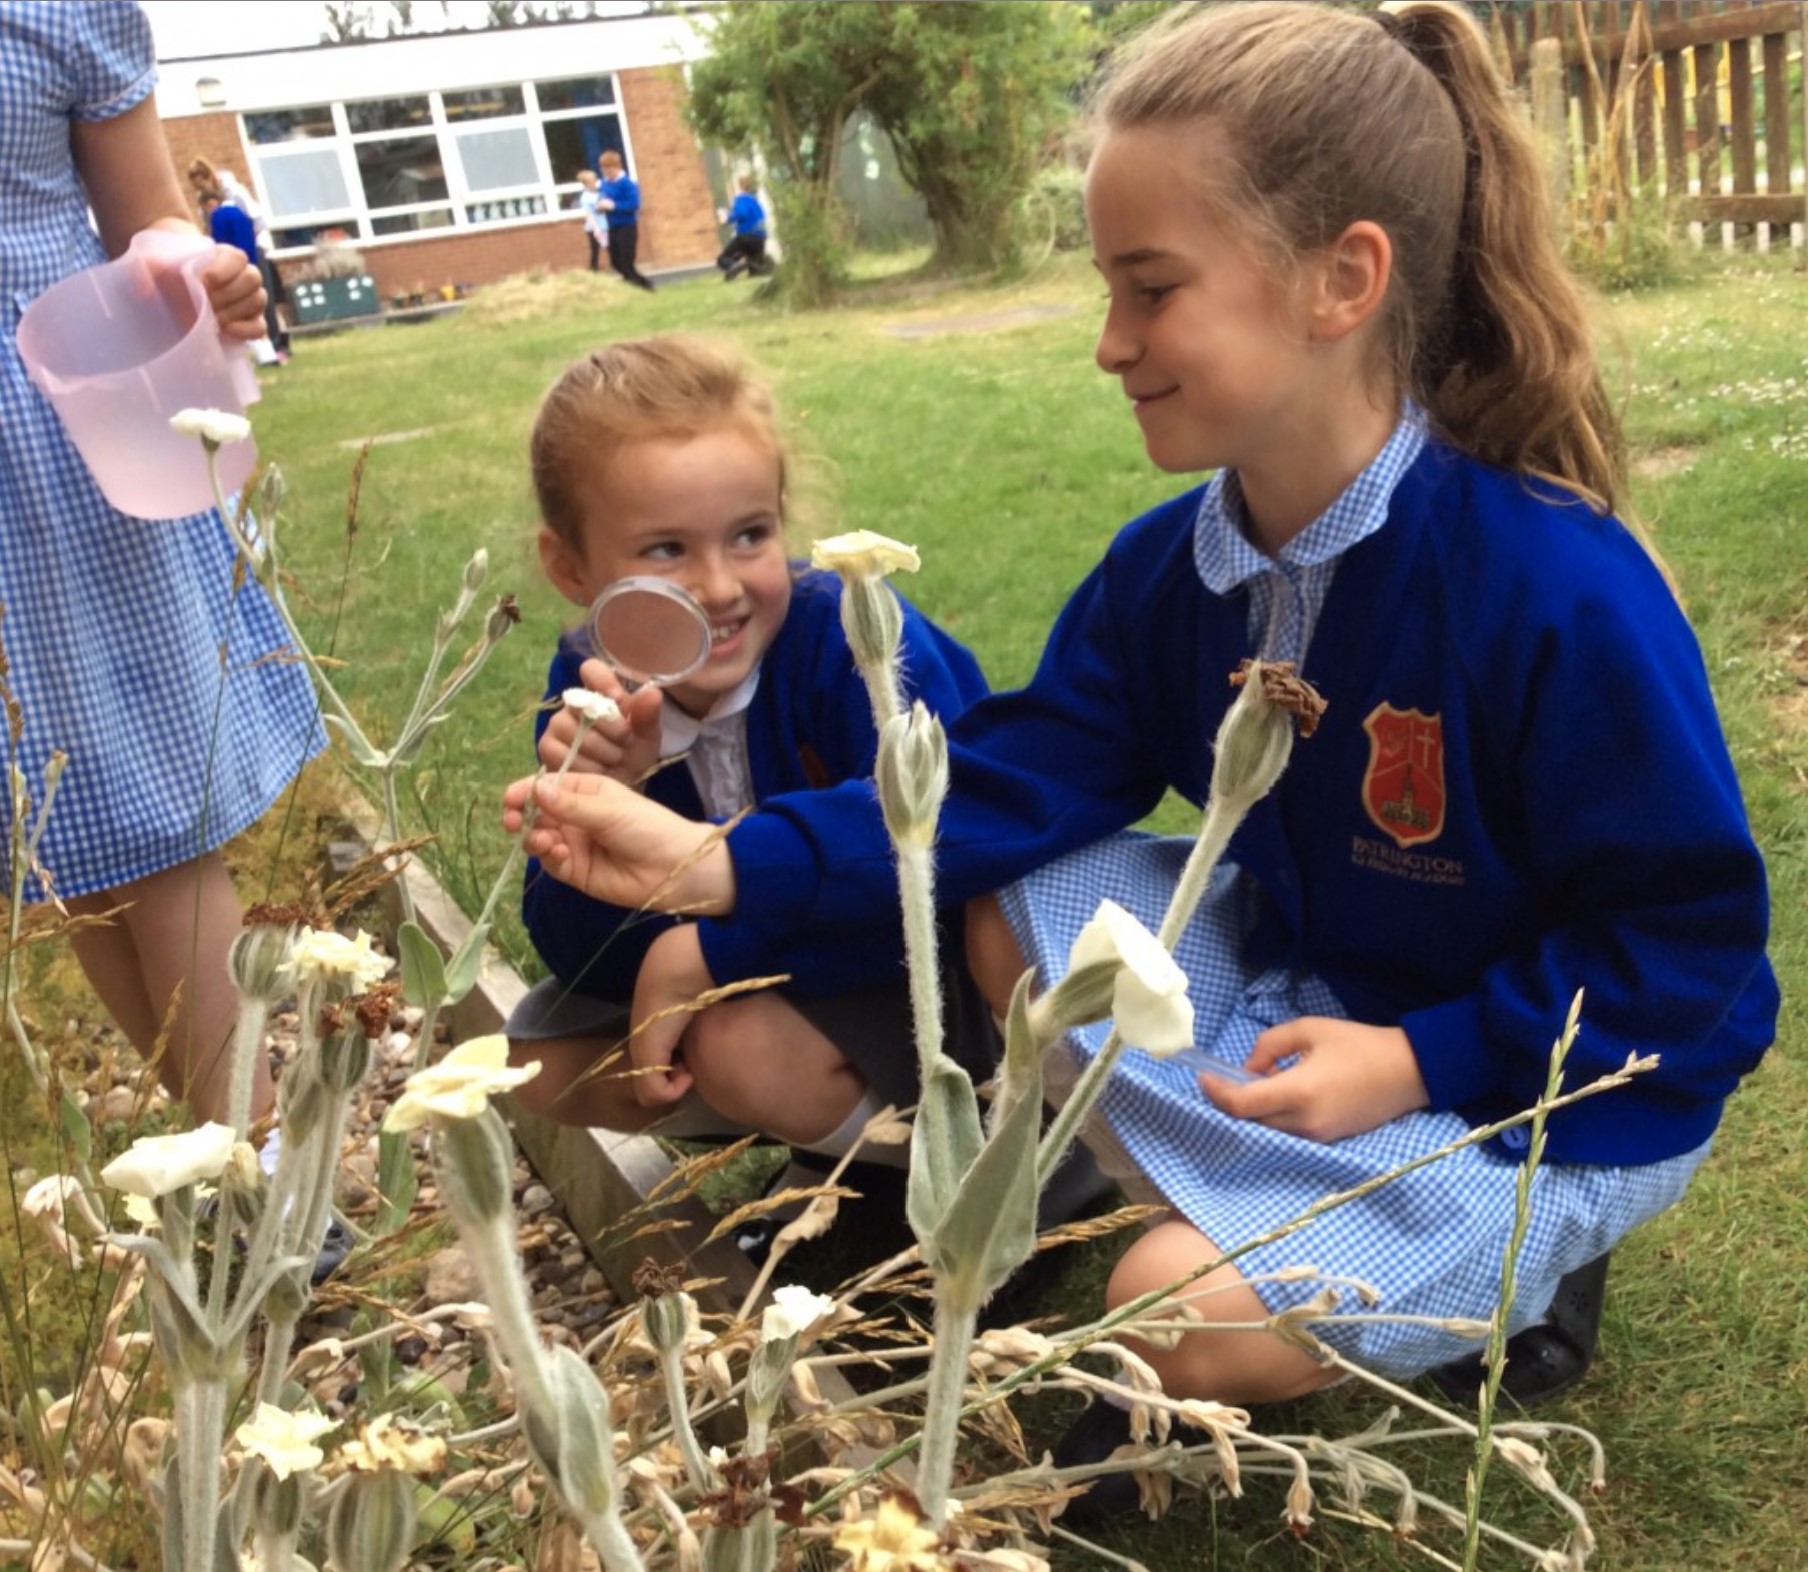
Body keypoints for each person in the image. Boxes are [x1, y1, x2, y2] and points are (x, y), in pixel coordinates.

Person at [505, 0, 1777, 1435]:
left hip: (1541, 1084)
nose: (1110, 344)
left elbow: (1691, 960)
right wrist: (714, 868)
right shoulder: (1171, 573)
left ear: (1341, 280)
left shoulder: (1550, 586)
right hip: (1318, 1001)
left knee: (1159, 1313)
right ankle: (1209, 1191)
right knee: (1010, 902)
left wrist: (1421, 1062)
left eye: (1151, 289)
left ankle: (1518, 1256)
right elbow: (999, 787)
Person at [506, 335, 999, 1171]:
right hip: (786, 990)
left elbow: (945, 878)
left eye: (749, 535)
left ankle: (972, 1174)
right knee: (536, 1066)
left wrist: (708, 956)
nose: (720, 586)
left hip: (941, 980)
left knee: (738, 1044)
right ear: (571, 566)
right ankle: (846, 1150)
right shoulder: (594, 685)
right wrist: (610, 802)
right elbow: (582, 959)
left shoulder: (855, 644)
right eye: (667, 550)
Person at [1, 3, 323, 1127]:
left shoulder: (56, 11)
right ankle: (225, 1153)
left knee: (153, 817)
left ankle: (266, 1169)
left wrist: (200, 269)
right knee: (68, 834)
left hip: (59, 431)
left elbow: (148, 217)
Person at [188, 155, 289, 361]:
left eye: (200, 181)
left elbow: (256, 219)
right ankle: (268, 346)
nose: (198, 186)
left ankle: (278, 343)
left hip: (253, 247)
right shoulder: (205, 202)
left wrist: (251, 244)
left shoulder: (232, 192)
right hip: (229, 254)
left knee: (263, 297)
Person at [197, 184, 280, 366]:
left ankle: (261, 355)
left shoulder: (219, 217)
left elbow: (219, 244)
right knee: (256, 312)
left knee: (238, 317)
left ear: (210, 203)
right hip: (251, 262)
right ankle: (269, 353)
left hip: (231, 267)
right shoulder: (241, 213)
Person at [594, 149, 655, 292]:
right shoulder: (604, 184)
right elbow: (601, 200)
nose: (605, 171)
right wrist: (600, 207)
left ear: (616, 167)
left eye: (608, 168)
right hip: (612, 227)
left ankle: (644, 287)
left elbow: (633, 204)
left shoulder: (627, 184)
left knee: (627, 262)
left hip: (627, 227)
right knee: (616, 262)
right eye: (603, 168)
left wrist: (614, 206)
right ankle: (641, 286)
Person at [716, 174, 771, 282]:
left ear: (740, 186)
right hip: (760, 238)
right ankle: (753, 266)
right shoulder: (756, 201)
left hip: (746, 236)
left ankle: (735, 266)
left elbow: (742, 213)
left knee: (723, 259)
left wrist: (727, 219)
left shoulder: (741, 199)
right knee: (754, 270)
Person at [574, 168, 606, 273]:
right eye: (592, 181)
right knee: (595, 249)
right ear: (586, 183)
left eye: (595, 180)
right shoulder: (585, 197)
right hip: (594, 228)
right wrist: (596, 228)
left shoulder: (599, 193)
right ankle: (593, 269)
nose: (595, 182)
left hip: (605, 225)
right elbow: (588, 214)